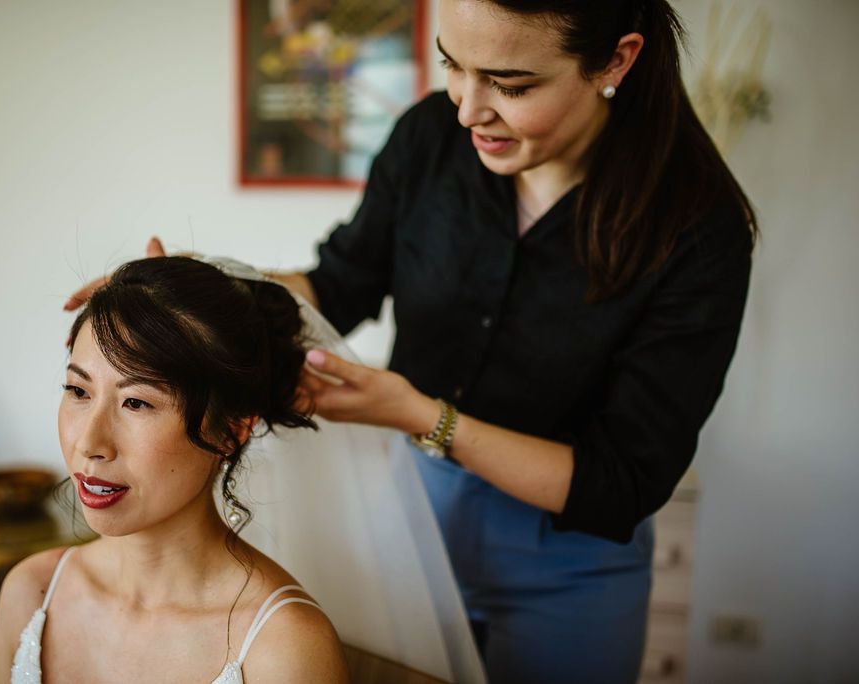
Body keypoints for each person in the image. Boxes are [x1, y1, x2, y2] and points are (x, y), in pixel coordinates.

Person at [67, 1, 757, 681]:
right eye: (453, 66)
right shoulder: (430, 138)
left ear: (617, 58)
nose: (467, 108)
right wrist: (197, 285)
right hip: (410, 526)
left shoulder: (697, 229)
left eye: (511, 85)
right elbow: (338, 284)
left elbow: (623, 481)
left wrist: (420, 416)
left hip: (569, 565)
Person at [0, 257, 350, 683]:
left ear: (231, 432)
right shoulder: (31, 591)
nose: (89, 444)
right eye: (77, 390)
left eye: (136, 402)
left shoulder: (285, 647)